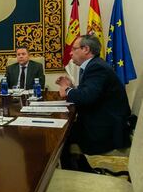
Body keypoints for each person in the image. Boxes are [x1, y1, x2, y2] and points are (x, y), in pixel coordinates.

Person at [56, 35, 131, 170]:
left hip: (105, 130)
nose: (70, 53)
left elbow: (86, 97)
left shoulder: (97, 67)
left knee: (60, 136)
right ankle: (74, 168)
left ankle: (75, 173)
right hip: (102, 121)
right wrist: (72, 88)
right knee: (63, 133)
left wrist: (67, 90)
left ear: (86, 49)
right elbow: (91, 93)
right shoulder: (94, 65)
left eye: (74, 49)